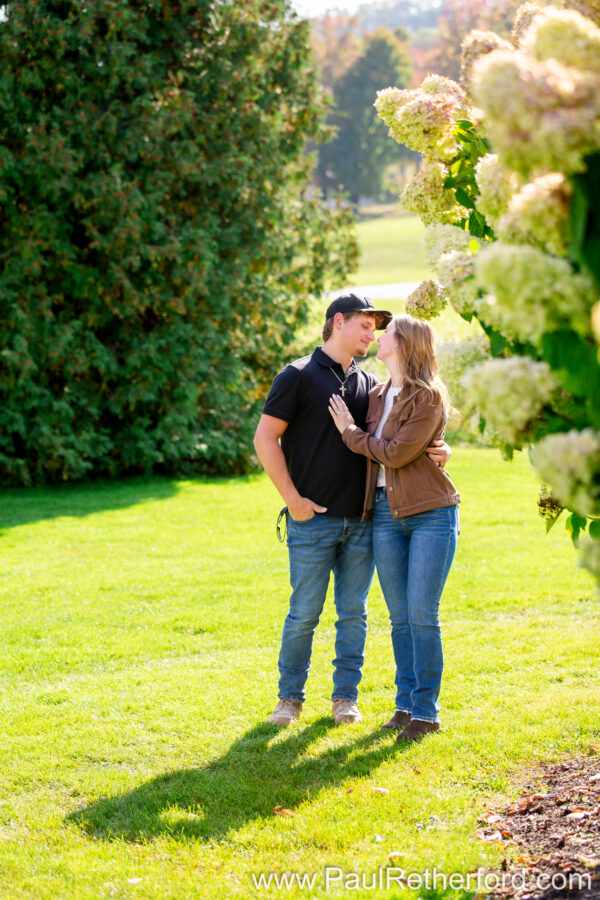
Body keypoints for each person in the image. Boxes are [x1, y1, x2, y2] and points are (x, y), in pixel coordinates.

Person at [253, 294, 451, 727]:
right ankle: (289, 699)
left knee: (354, 616)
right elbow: (264, 438)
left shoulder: (369, 386)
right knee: (304, 613)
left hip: (364, 521)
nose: (371, 335)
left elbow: (396, 436)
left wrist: (441, 447)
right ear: (338, 321)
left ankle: (345, 698)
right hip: (311, 520)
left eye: (377, 330)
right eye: (365, 325)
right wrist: (292, 500)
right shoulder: (296, 375)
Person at [328, 313, 460, 742]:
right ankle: (404, 707)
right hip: (385, 514)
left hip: (431, 512)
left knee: (422, 614)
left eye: (387, 333)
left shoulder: (428, 396)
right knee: (400, 619)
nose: (378, 337)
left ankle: (426, 712)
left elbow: (398, 453)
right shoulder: (377, 394)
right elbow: (383, 449)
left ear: (404, 344)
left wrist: (350, 433)